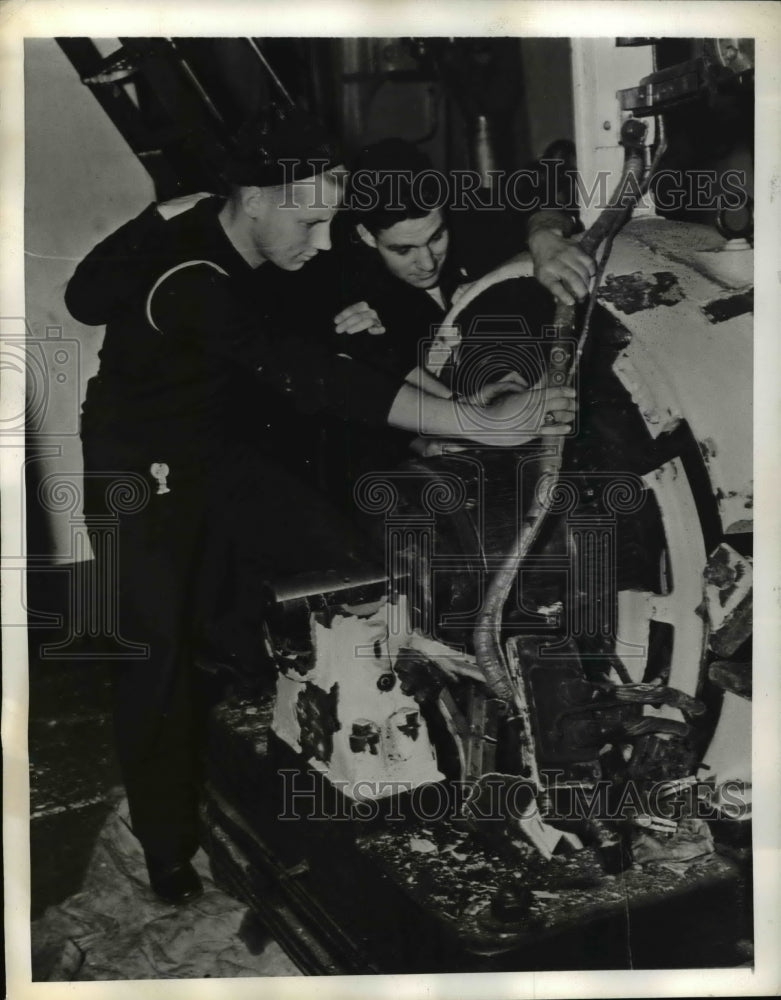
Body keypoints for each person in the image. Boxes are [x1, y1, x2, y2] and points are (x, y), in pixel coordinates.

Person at [65, 107, 576, 905]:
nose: (325, 239)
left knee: (352, 579)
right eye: (310, 218)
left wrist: (474, 406)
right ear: (255, 198)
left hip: (223, 447)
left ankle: (348, 761)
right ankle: (168, 848)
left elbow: (338, 361)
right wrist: (476, 421)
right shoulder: (190, 275)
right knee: (152, 653)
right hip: (141, 465)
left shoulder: (267, 242)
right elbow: (308, 373)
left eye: (333, 220)